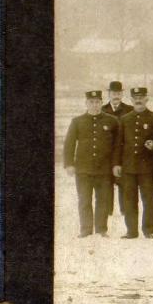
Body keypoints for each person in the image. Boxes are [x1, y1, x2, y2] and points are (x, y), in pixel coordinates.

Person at [63, 90, 119, 238]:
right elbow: (69, 144)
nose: (94, 105)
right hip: (83, 169)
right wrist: (69, 164)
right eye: (91, 102)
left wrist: (115, 165)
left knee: (103, 200)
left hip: (104, 169)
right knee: (84, 200)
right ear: (86, 103)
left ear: (101, 103)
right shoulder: (77, 121)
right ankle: (86, 230)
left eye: (97, 102)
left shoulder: (112, 121)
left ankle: (101, 229)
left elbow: (117, 146)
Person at [113, 87, 153, 239]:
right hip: (128, 167)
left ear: (147, 99)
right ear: (131, 99)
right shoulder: (124, 119)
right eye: (135, 97)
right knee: (129, 199)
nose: (138, 100)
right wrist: (117, 164)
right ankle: (131, 231)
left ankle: (148, 230)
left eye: (141, 97)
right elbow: (119, 144)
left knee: (148, 198)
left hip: (148, 167)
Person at [104, 80, 134, 218]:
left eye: (118, 93)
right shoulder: (102, 110)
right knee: (106, 182)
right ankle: (108, 210)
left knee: (123, 181)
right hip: (106, 153)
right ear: (108, 94)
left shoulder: (129, 110)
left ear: (122, 94)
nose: (116, 95)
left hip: (123, 152)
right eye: (113, 93)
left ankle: (124, 209)